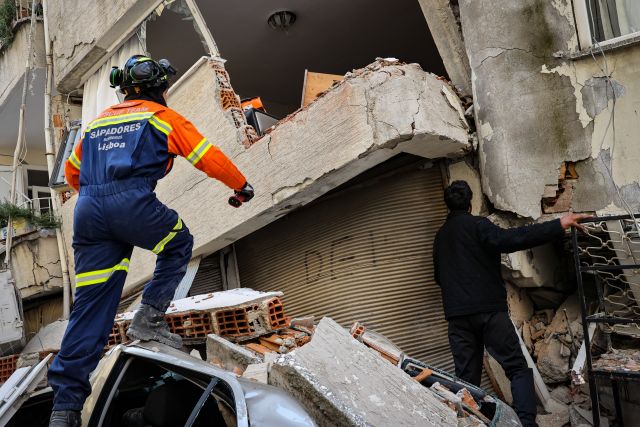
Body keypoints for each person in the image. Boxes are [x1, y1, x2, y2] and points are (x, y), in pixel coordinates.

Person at [48, 55, 254, 427]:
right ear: (160, 86)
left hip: (88, 213)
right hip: (132, 203)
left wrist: (99, 200)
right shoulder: (162, 118)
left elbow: (71, 172)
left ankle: (64, 409)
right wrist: (240, 186)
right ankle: (149, 318)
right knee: (178, 244)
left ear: (124, 88)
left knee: (91, 308)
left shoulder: (97, 125)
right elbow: (207, 157)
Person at [433, 180, 588, 427]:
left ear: (448, 206)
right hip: (489, 313)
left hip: (458, 318)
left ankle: (472, 422)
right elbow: (514, 238)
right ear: (471, 203)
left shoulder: (440, 238)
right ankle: (526, 423)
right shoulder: (478, 226)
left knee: (466, 381)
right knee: (517, 369)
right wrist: (559, 224)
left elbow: (439, 277)